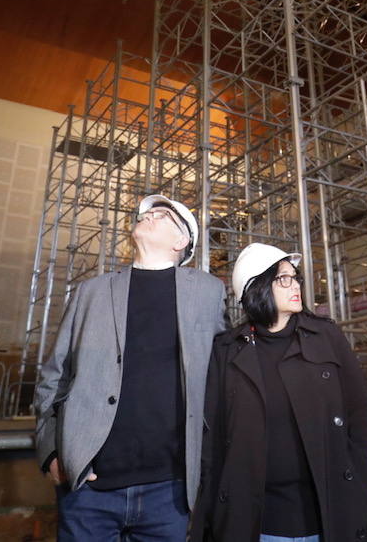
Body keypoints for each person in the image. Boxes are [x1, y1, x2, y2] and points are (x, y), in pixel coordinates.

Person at [35, 193, 226, 540]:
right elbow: (54, 378)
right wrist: (50, 451)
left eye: (162, 214)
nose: (149, 214)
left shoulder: (208, 293)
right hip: (90, 486)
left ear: (182, 241)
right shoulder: (90, 292)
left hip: (170, 489)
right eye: (147, 211)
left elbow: (224, 376)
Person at [192, 243, 367, 542]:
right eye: (284, 278)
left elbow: (359, 413)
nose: (295, 285)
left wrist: (362, 480)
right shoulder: (227, 350)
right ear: (256, 288)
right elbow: (214, 437)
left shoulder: (326, 336)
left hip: (329, 515)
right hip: (260, 524)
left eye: (295, 278)